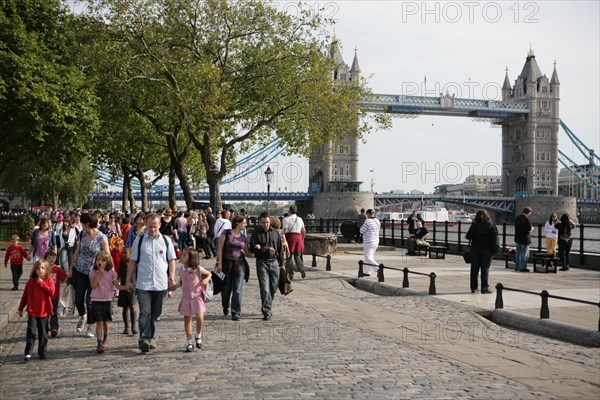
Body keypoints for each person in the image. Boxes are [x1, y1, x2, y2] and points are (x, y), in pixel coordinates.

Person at [125, 213, 176, 353]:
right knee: (145, 312)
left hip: (160, 283)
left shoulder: (166, 241)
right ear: (145, 225)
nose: (152, 229)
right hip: (144, 283)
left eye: (155, 226)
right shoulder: (139, 240)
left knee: (155, 314)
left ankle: (151, 337)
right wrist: (128, 280)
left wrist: (171, 277)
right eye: (150, 226)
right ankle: (144, 339)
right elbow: (133, 261)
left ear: (160, 225)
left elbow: (171, 260)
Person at [68, 212, 111, 338]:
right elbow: (77, 251)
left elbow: (107, 254)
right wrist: (71, 267)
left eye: (83, 223)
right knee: (79, 300)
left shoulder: (101, 237)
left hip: (94, 273)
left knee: (90, 301)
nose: (81, 226)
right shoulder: (82, 234)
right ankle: (83, 315)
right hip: (80, 271)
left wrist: (108, 272)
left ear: (88, 224)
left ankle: (90, 327)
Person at [171, 248, 211, 352]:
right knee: (187, 319)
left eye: (184, 255)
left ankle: (198, 335)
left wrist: (206, 280)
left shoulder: (197, 269)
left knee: (200, 317)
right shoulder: (181, 270)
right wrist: (175, 286)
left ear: (191, 258)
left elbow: (209, 274)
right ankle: (189, 341)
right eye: (182, 255)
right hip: (186, 297)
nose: (182, 256)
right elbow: (182, 281)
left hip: (197, 297)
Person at [89, 251, 128, 353]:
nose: (100, 262)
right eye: (98, 260)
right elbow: (93, 285)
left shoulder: (111, 273)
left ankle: (105, 338)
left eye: (102, 260)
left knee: (105, 322)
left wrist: (126, 287)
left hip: (107, 300)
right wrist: (99, 274)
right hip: (96, 299)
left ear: (107, 262)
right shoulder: (93, 272)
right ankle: (99, 343)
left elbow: (117, 285)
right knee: (99, 322)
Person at [249, 212, 284, 321]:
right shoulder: (256, 233)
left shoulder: (276, 233)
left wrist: (282, 264)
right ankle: (267, 311)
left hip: (274, 263)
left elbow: (280, 249)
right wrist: (264, 249)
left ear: (270, 221)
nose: (265, 225)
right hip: (262, 262)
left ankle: (267, 304)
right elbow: (252, 250)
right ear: (260, 222)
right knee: (264, 288)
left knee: (273, 287)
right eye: (263, 223)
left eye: (267, 222)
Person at [18, 259, 55, 361]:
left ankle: (42, 352)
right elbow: (25, 296)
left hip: (44, 312)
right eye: (38, 268)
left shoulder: (49, 280)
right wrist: (20, 309)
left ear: (46, 270)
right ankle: (28, 352)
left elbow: (52, 292)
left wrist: (42, 283)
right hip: (33, 311)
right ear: (35, 270)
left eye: (42, 268)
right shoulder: (30, 282)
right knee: (31, 332)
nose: (40, 270)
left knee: (43, 333)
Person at [217, 216, 249, 321]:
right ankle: (225, 306)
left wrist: (259, 250)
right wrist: (220, 263)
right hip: (227, 263)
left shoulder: (243, 237)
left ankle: (236, 312)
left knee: (237, 289)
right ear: (237, 223)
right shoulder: (226, 233)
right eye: (244, 223)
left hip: (239, 264)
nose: (245, 225)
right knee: (226, 289)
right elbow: (220, 248)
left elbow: (248, 252)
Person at [465, 210, 499, 294]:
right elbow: (495, 238)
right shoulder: (491, 224)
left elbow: (468, 236)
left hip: (475, 250)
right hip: (487, 251)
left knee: (474, 269)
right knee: (485, 269)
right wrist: (495, 249)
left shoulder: (475, 224)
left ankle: (474, 288)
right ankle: (484, 288)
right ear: (487, 215)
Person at [44, 250, 67, 337]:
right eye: (49, 257)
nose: (51, 259)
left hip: (55, 296)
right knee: (45, 314)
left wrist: (69, 275)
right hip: (45, 296)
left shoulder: (57, 269)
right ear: (45, 259)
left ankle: (54, 328)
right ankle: (45, 329)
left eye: (53, 257)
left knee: (53, 313)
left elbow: (64, 278)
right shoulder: (43, 269)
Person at [282, 205, 306, 279]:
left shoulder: (286, 219)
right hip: (298, 238)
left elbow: (285, 231)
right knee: (297, 257)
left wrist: (280, 233)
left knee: (289, 258)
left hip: (290, 239)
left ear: (289, 211)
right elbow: (303, 231)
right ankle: (301, 269)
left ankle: (291, 273)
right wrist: (302, 239)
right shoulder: (300, 219)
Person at [117, 247, 137, 336]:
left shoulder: (135, 264)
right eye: (123, 253)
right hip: (124, 287)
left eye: (126, 253)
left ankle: (134, 327)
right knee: (125, 308)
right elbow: (117, 275)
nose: (124, 255)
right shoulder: (120, 263)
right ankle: (126, 327)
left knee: (132, 306)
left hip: (133, 288)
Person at [359, 209, 381, 276]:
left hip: (368, 241)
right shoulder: (377, 221)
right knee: (371, 257)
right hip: (376, 241)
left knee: (368, 257)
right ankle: (368, 272)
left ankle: (378, 268)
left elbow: (362, 231)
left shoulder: (367, 221)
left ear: (368, 214)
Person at [514, 207, 533, 272]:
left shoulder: (517, 218)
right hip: (525, 238)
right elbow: (529, 229)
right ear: (529, 212)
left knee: (518, 253)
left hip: (518, 237)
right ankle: (522, 268)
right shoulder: (526, 219)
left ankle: (517, 267)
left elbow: (516, 226)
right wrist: (532, 228)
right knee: (524, 254)